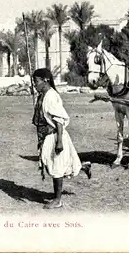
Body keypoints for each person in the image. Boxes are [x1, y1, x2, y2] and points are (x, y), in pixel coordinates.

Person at [31, 68, 91, 209]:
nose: (35, 84)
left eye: (36, 81)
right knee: (51, 163)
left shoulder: (51, 96)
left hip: (56, 135)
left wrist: (59, 141)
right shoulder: (42, 95)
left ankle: (57, 200)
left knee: (56, 166)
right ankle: (83, 166)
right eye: (34, 82)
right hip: (47, 136)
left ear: (45, 80)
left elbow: (59, 121)